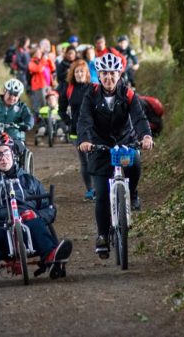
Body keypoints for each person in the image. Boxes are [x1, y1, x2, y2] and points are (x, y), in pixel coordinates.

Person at [0, 133, 72, 276]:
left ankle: (52, 255)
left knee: (36, 225)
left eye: (6, 152)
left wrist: (37, 215)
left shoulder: (30, 181)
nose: (3, 157)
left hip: (27, 227)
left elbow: (49, 209)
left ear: (13, 154)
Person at [77, 53, 153, 257]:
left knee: (135, 161)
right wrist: (85, 140)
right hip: (99, 146)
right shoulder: (91, 95)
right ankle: (102, 235)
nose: (108, 78)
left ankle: (133, 192)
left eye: (112, 73)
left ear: (119, 74)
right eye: (104, 74)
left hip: (124, 142)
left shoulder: (128, 95)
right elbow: (84, 120)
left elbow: (139, 118)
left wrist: (145, 136)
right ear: (98, 76)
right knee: (101, 193)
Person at [58, 59, 94, 200]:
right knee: (85, 161)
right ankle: (90, 190)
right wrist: (69, 122)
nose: (79, 74)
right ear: (73, 74)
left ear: (86, 73)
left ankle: (100, 188)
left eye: (82, 71)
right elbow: (61, 109)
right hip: (77, 131)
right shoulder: (69, 89)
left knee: (95, 159)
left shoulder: (93, 88)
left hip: (93, 130)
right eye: (77, 71)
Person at [28, 46, 55, 116]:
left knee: (50, 102)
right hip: (39, 86)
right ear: (33, 54)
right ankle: (43, 122)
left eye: (40, 52)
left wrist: (48, 59)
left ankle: (49, 120)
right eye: (37, 52)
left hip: (48, 85)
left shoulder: (42, 61)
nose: (39, 53)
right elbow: (39, 69)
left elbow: (52, 68)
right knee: (43, 105)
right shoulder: (31, 63)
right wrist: (43, 60)